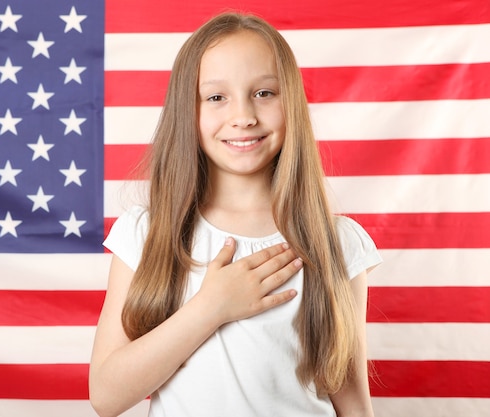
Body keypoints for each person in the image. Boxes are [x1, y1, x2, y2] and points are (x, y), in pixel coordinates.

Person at [89, 12, 382, 417]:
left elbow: (351, 400)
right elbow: (106, 396)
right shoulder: (146, 233)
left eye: (264, 93)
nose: (243, 116)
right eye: (216, 97)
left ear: (291, 102)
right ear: (186, 111)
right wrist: (212, 307)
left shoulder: (337, 241)